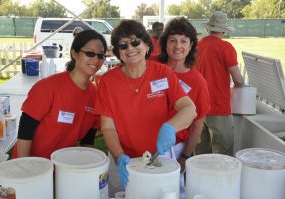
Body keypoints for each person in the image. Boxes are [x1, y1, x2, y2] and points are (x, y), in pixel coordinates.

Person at [94, 19, 197, 196]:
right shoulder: (108, 82)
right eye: (123, 45)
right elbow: (108, 127)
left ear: (147, 45)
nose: (130, 48)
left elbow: (189, 108)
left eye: (135, 42)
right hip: (124, 158)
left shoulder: (162, 73)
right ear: (118, 52)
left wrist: (170, 127)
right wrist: (119, 156)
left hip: (159, 157)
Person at [12, 29, 107, 159]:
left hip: (63, 166)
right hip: (32, 165)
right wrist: (24, 165)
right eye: (90, 53)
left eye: (101, 55)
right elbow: (25, 130)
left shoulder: (95, 95)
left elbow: (88, 136)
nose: (96, 59)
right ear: (74, 53)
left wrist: (86, 165)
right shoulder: (48, 87)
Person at [153, 17, 210, 199]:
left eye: (183, 41)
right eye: (173, 40)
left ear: (191, 44)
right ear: (165, 43)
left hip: (174, 148)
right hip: (142, 143)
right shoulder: (152, 66)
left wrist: (184, 157)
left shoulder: (197, 82)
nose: (178, 46)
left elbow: (197, 125)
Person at [195, 11, 244, 156]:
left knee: (200, 153)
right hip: (218, 107)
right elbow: (239, 79)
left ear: (208, 28)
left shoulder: (198, 45)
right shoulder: (226, 47)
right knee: (224, 152)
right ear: (223, 30)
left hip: (198, 107)